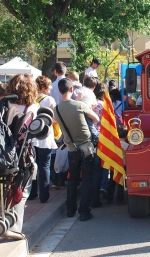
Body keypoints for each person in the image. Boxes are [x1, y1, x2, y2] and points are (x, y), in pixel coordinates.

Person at [53, 78, 99, 221]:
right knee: (86, 179)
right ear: (71, 89)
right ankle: (84, 212)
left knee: (72, 179)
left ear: (60, 91)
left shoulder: (56, 109)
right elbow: (95, 118)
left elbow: (55, 122)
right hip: (86, 147)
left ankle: (70, 209)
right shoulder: (79, 105)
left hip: (71, 148)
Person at [4, 73, 40, 239]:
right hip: (23, 155)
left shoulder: (4, 104)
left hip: (3, 152)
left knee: (4, 189)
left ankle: (3, 221)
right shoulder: (32, 108)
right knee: (22, 191)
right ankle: (15, 227)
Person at [29, 76, 58, 201]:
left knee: (32, 165)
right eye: (49, 85)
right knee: (44, 165)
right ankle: (44, 195)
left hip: (32, 136)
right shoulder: (49, 100)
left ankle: (32, 192)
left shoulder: (31, 98)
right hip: (45, 136)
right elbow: (54, 119)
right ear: (43, 87)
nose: (51, 88)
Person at [106, 124, 128, 205]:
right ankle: (120, 199)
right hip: (123, 166)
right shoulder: (126, 145)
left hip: (114, 165)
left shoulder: (113, 144)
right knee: (121, 183)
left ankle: (109, 198)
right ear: (126, 135)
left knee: (112, 182)